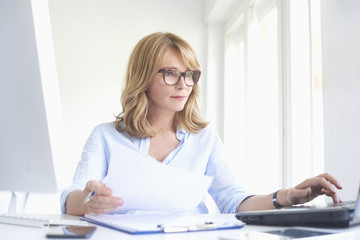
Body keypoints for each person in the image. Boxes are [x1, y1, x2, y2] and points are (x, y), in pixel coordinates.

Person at [60, 32, 343, 216]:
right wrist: (87, 200)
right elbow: (70, 198)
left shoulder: (205, 140)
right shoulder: (106, 136)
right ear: (143, 77)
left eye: (189, 74)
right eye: (170, 73)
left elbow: (233, 201)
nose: (183, 84)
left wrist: (287, 196)